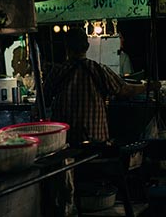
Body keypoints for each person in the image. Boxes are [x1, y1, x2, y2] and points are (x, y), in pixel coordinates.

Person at [40, 27, 160, 217]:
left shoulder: (58, 71)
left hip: (65, 145)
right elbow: (124, 90)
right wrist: (147, 87)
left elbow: (42, 99)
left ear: (66, 48)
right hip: (96, 145)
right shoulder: (97, 69)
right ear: (87, 46)